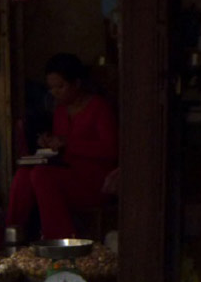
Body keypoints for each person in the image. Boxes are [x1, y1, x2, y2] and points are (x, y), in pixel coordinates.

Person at [6, 53, 118, 240]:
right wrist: (50, 143)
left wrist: (68, 144)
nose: (55, 92)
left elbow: (112, 150)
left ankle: (60, 242)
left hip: (95, 181)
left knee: (42, 175)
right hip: (66, 173)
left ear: (77, 83)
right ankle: (12, 236)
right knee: (23, 175)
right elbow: (62, 147)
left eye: (61, 86)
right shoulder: (60, 111)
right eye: (52, 88)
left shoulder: (99, 108)